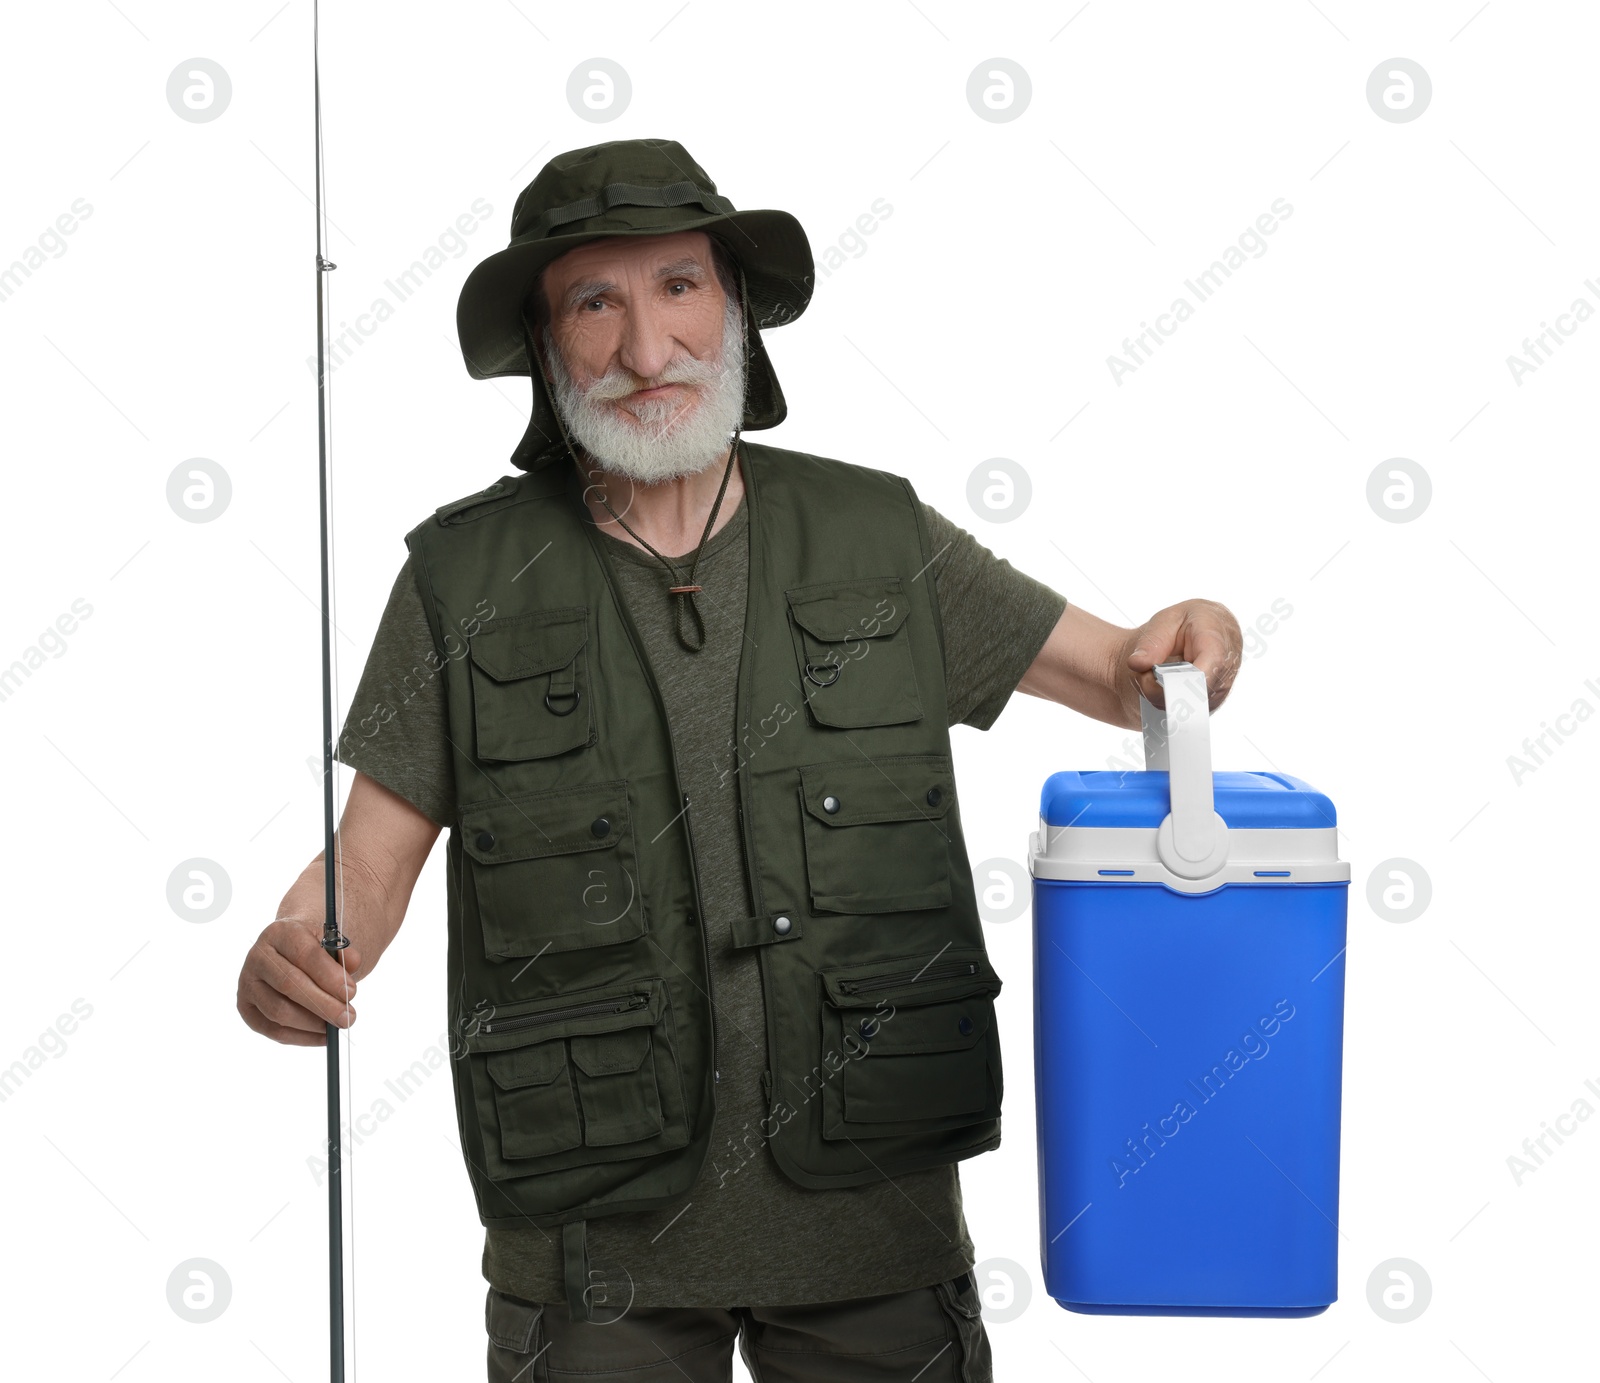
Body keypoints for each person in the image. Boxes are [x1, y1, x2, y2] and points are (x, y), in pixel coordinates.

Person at [236, 138, 1242, 1383]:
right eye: (594, 303)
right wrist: (298, 947)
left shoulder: (879, 536)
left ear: (738, 311)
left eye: (678, 288)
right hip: (594, 1260)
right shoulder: (461, 581)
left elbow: (1122, 673)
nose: (646, 351)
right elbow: (363, 873)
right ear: (549, 352)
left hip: (876, 1237)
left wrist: (1189, 637)